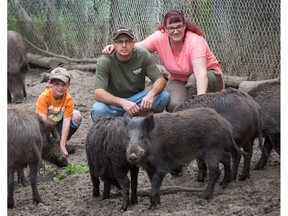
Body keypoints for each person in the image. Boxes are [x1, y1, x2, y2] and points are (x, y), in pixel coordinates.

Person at [102, 10, 224, 112]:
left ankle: (203, 114)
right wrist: (116, 47)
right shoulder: (159, 37)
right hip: (179, 79)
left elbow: (200, 74)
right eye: (171, 28)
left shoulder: (194, 40)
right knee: (173, 104)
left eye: (179, 27)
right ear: (165, 29)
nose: (176, 31)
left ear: (184, 26)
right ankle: (188, 120)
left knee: (193, 84)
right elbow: (138, 46)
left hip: (209, 76)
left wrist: (200, 101)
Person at [90, 26, 169, 120]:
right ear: (114, 44)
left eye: (127, 41)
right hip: (115, 103)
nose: (124, 45)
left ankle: (147, 120)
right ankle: (115, 124)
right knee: (98, 109)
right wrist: (122, 102)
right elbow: (98, 93)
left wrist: (150, 95)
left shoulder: (142, 54)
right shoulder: (105, 61)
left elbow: (160, 80)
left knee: (163, 96)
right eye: (120, 41)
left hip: (138, 101)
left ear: (133, 43)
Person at [35, 67, 82, 157]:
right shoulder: (43, 97)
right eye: (57, 84)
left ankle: (60, 142)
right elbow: (43, 123)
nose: (60, 87)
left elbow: (67, 122)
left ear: (68, 85)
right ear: (49, 83)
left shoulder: (68, 99)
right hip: (43, 130)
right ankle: (46, 144)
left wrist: (62, 144)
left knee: (76, 115)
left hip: (58, 126)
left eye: (63, 84)